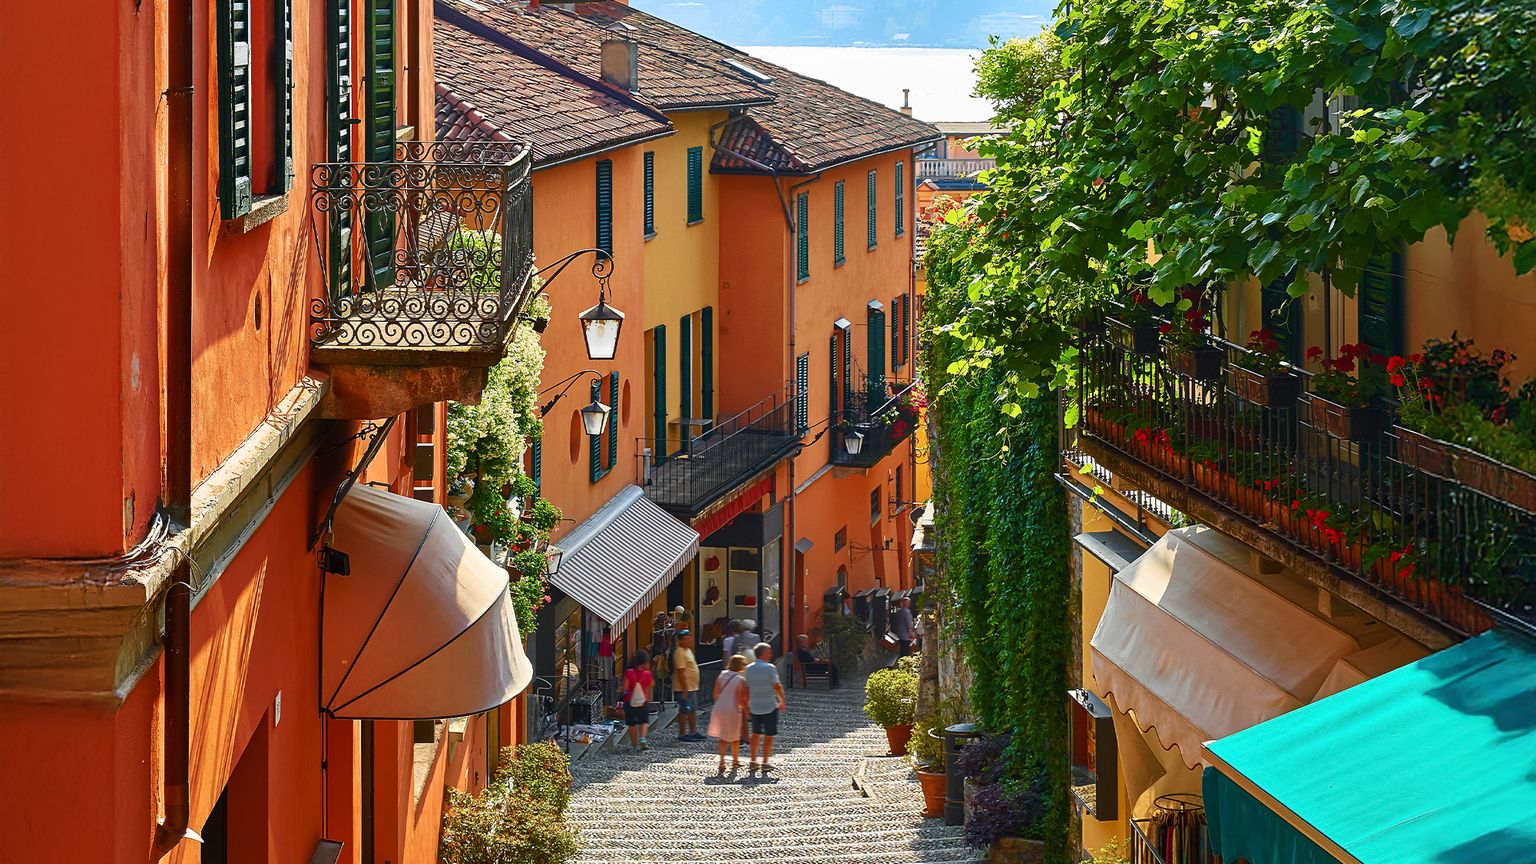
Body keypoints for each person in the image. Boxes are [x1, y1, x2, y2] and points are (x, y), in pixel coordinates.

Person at [740, 642, 787, 773]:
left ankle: (753, 761)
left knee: (755, 733)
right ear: (763, 653)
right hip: (769, 705)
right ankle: (765, 762)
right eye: (769, 651)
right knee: (769, 734)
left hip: (754, 705)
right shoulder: (770, 668)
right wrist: (782, 700)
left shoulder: (749, 668)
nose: (771, 654)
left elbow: (746, 688)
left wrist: (746, 705)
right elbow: (777, 686)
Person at [708, 654, 751, 773]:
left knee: (722, 737)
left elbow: (715, 692)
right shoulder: (740, 679)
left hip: (720, 707)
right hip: (733, 708)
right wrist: (745, 710)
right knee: (735, 737)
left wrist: (719, 703)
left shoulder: (722, 675)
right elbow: (742, 698)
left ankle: (722, 762)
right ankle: (735, 761)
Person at [672, 629, 704, 742]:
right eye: (686, 638)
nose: (689, 640)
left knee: (692, 710)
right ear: (680, 641)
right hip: (684, 688)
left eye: (689, 638)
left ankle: (693, 731)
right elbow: (681, 671)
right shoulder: (679, 652)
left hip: (691, 686)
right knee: (684, 710)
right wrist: (685, 689)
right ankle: (682, 733)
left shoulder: (688, 650)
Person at [621, 649, 654, 751]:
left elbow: (625, 688)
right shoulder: (647, 674)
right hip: (643, 702)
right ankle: (643, 738)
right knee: (644, 721)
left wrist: (624, 694)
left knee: (632, 724)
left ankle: (635, 745)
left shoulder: (629, 672)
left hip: (629, 702)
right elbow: (652, 685)